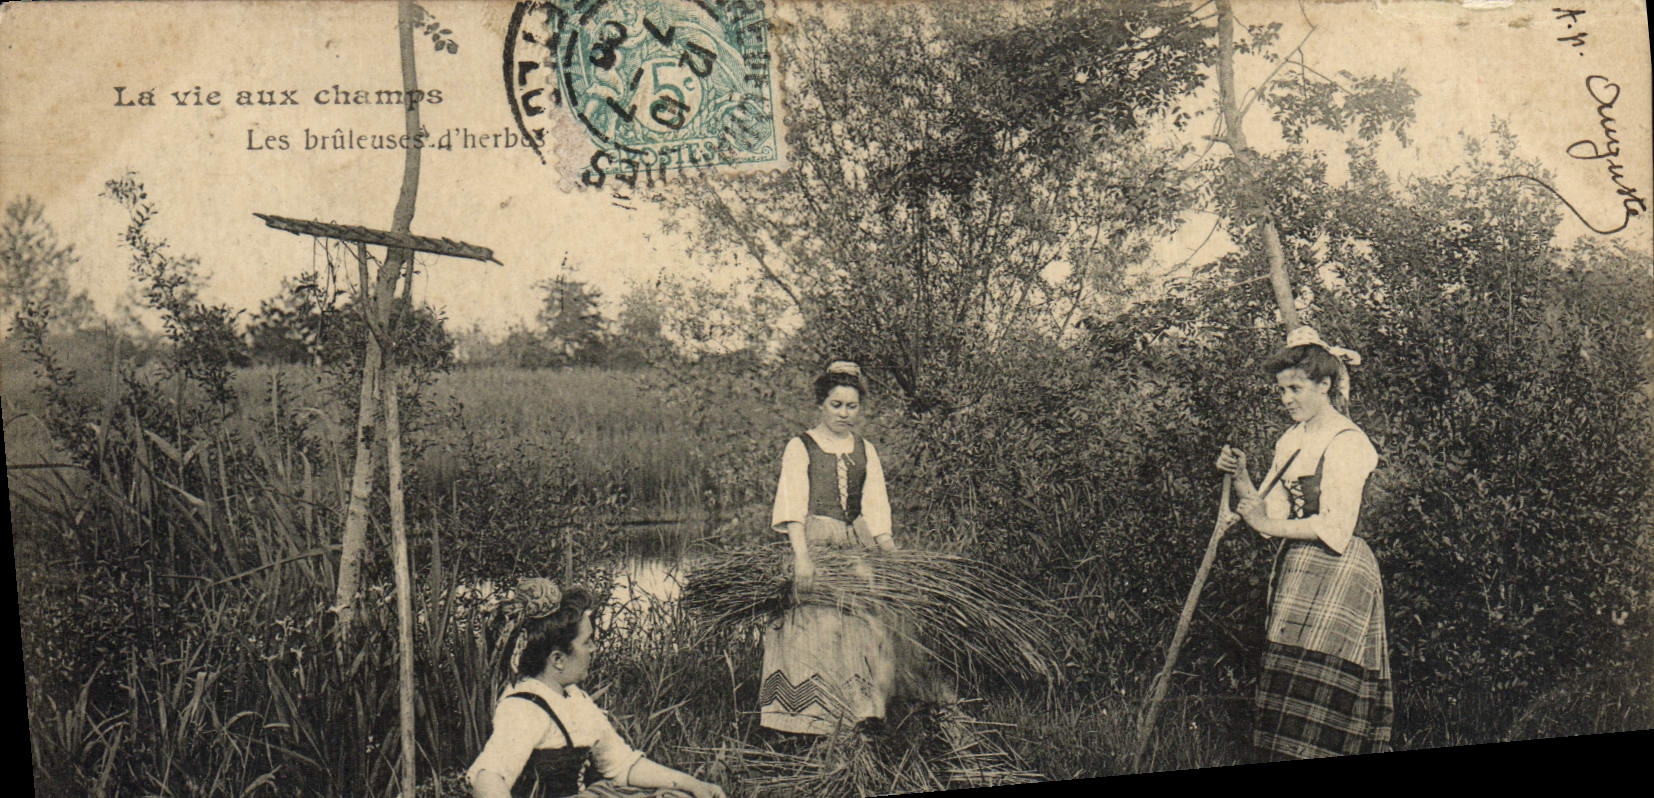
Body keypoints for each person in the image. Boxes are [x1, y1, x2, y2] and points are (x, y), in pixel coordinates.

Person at [1215, 326, 1394, 759]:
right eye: (1281, 391)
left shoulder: (1347, 442)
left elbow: (1335, 527)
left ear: (1325, 385)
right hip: (1296, 568)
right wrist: (1240, 476)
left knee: (1327, 682)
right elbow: (1270, 518)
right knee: (1289, 681)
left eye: (1295, 388)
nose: (1286, 399)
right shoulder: (1291, 440)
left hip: (1342, 571)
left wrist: (1265, 523)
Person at [468, 578, 727, 798]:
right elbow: (488, 776)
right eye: (588, 642)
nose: (593, 649)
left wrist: (693, 784)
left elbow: (621, 765)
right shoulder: (524, 708)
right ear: (557, 659)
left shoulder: (573, 698)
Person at [759, 360, 900, 735]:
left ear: (860, 408)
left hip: (854, 546)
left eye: (851, 406)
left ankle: (859, 717)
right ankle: (809, 724)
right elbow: (792, 508)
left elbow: (876, 509)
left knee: (863, 626)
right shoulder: (801, 446)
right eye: (836, 405)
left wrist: (893, 556)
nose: (844, 413)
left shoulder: (865, 449)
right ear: (821, 404)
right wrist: (802, 558)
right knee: (817, 626)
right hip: (816, 543)